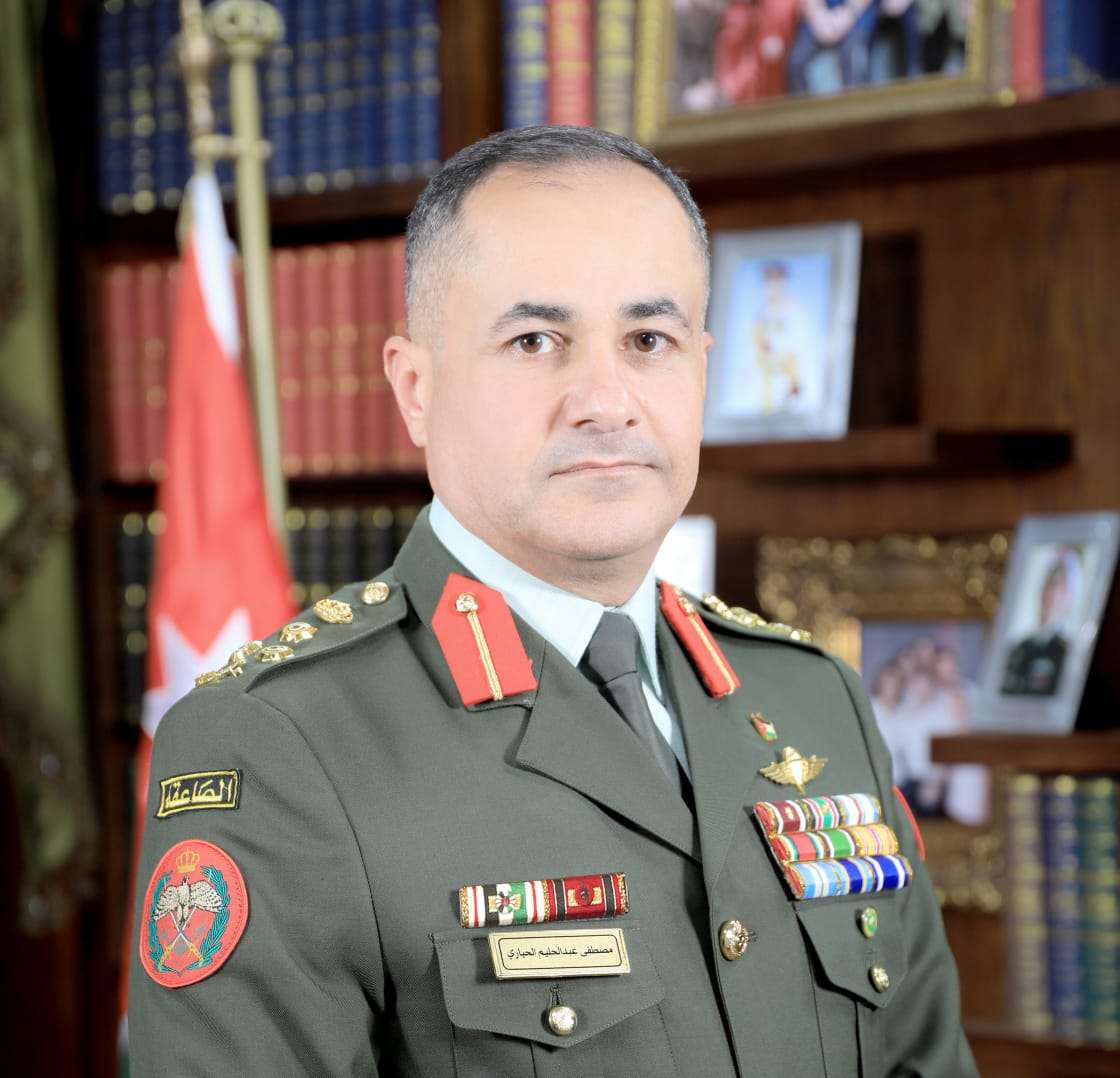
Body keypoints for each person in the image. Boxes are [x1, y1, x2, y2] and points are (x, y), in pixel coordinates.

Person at [129, 125, 977, 1076]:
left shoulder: (816, 697)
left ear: (701, 367)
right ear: (415, 388)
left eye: (649, 341)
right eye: (535, 341)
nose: (605, 401)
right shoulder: (282, 744)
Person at [1001, 547, 1080, 697]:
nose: (1051, 594)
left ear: (1068, 597)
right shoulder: (1019, 648)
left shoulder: (1067, 652)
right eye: (1048, 584)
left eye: (1058, 587)